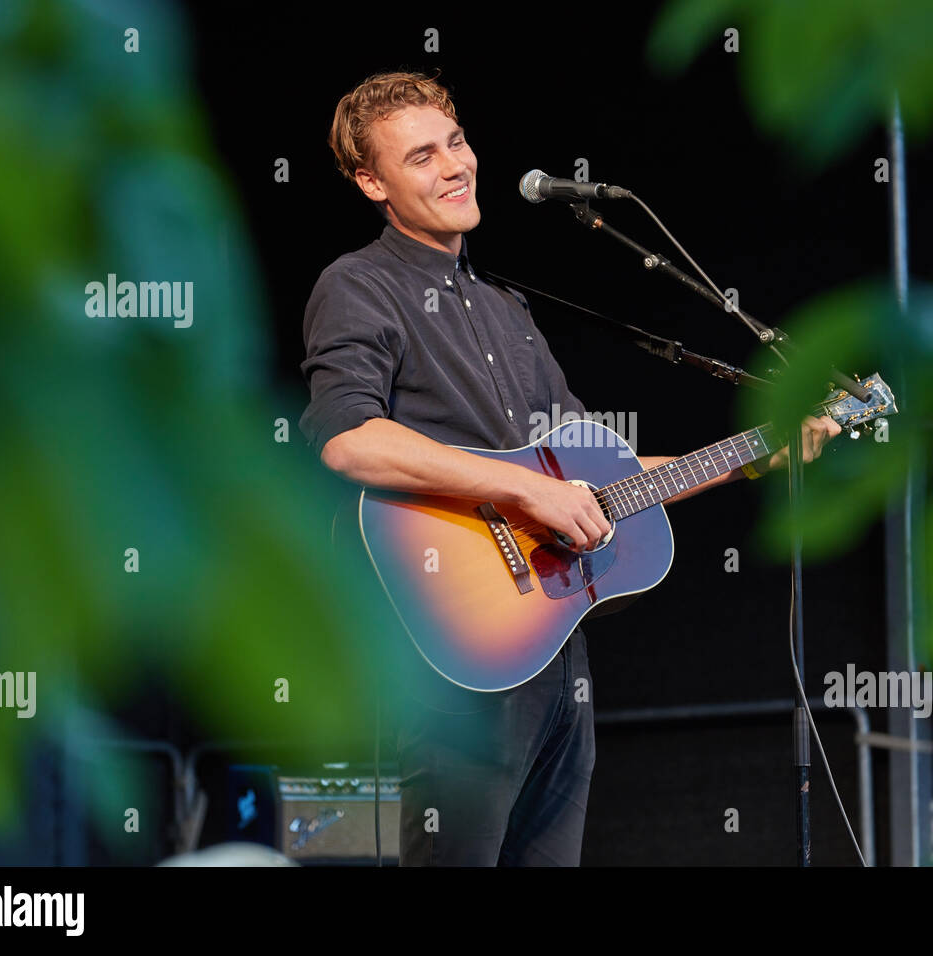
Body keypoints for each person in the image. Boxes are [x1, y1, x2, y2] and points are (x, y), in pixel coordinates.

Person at [299, 71, 840, 866]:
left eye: (456, 141)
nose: (454, 165)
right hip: (453, 661)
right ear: (371, 181)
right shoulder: (357, 286)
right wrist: (525, 487)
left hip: (553, 653)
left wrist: (750, 460)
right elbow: (348, 441)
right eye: (421, 157)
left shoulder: (506, 309)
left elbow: (600, 476)